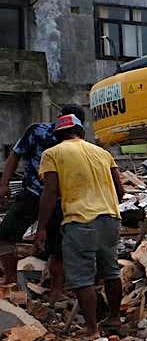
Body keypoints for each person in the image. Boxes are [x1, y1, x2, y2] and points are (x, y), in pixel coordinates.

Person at [35, 113, 124, 337]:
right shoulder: (102, 153)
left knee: (82, 279)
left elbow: (51, 191)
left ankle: (92, 329)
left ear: (58, 136)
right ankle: (115, 319)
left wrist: (41, 228)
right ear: (81, 132)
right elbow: (120, 190)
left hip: (80, 221)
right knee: (111, 272)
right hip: (111, 219)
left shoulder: (52, 154)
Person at [0, 104, 85, 298]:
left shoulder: (77, 143)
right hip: (33, 193)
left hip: (59, 200)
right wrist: (4, 184)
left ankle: (56, 290)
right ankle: (12, 282)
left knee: (58, 246)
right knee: (6, 234)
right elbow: (15, 154)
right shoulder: (37, 132)